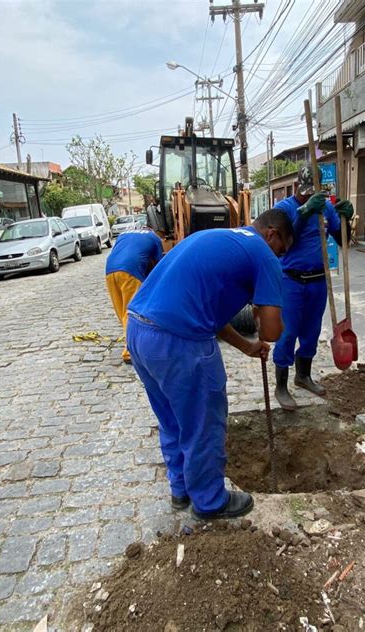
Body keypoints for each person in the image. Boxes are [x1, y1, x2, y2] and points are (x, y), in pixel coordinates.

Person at [126, 210, 294, 520]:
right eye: (282, 250)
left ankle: (181, 491)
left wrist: (246, 346)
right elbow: (272, 331)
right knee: (203, 423)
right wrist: (265, 312)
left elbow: (209, 315)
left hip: (139, 331)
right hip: (180, 343)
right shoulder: (263, 254)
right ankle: (209, 501)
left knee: (173, 419)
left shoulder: (218, 238)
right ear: (273, 234)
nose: (280, 258)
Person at [272, 165, 354, 410]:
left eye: (313, 194)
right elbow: (284, 242)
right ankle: (281, 385)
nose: (310, 197)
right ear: (299, 187)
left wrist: (345, 219)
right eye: (306, 194)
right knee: (287, 332)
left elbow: (343, 241)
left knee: (311, 331)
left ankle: (303, 376)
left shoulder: (326, 208)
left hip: (318, 280)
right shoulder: (284, 209)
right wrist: (305, 212)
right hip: (291, 280)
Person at [105, 228, 163, 364]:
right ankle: (129, 352)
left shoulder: (123, 234)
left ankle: (131, 341)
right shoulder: (154, 238)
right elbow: (159, 266)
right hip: (131, 271)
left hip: (110, 270)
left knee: (122, 312)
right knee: (132, 313)